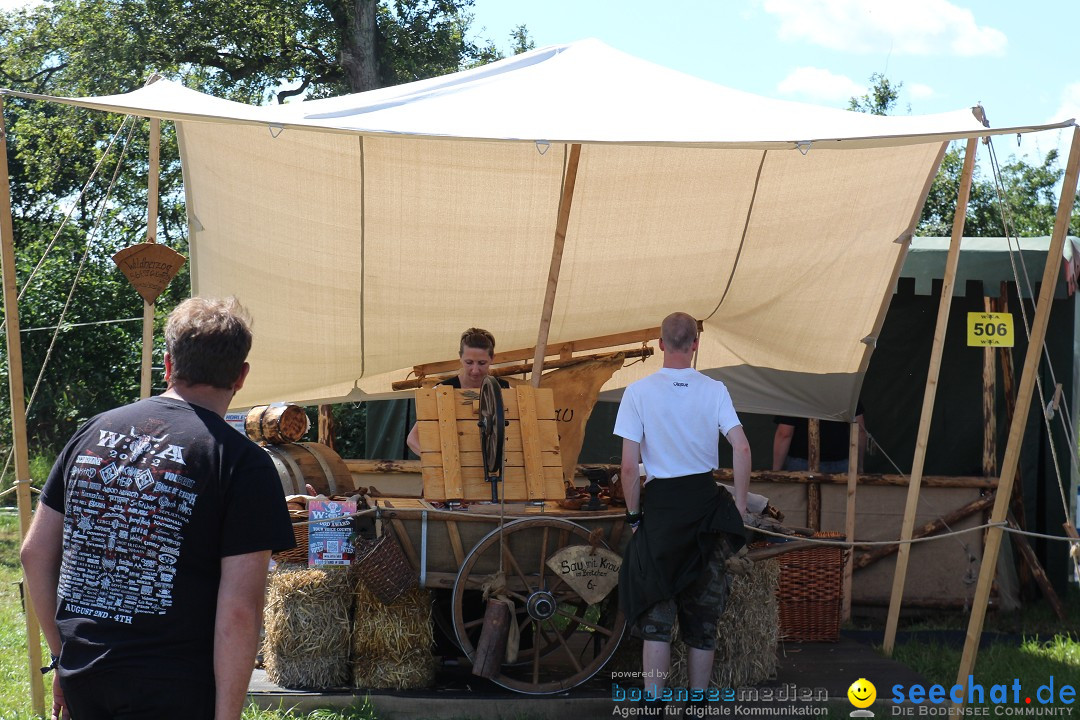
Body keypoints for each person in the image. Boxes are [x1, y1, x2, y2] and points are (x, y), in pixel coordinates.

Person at [21, 297, 295, 720]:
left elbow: (34, 552)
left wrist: (62, 657)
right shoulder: (241, 462)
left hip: (85, 673)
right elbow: (241, 605)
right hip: (175, 685)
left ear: (167, 365)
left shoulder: (91, 431)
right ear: (240, 377)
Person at [615, 312, 750, 709]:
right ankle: (696, 709)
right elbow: (741, 448)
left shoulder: (637, 393)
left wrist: (635, 517)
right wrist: (739, 507)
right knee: (701, 627)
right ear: (695, 345)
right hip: (707, 513)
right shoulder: (716, 390)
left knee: (657, 625)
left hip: (659, 516)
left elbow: (627, 468)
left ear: (660, 344)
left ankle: (653, 709)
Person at [405, 327, 509, 456]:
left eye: (482, 363)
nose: (475, 370)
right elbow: (413, 439)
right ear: (460, 357)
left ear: (492, 358)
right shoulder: (441, 391)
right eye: (469, 362)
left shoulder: (505, 390)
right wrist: (440, 459)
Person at [772, 403, 866, 473]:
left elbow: (785, 433)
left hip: (801, 464)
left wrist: (775, 471)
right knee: (839, 499)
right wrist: (859, 466)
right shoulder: (845, 389)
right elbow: (859, 430)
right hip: (840, 463)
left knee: (797, 499)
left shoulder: (796, 390)